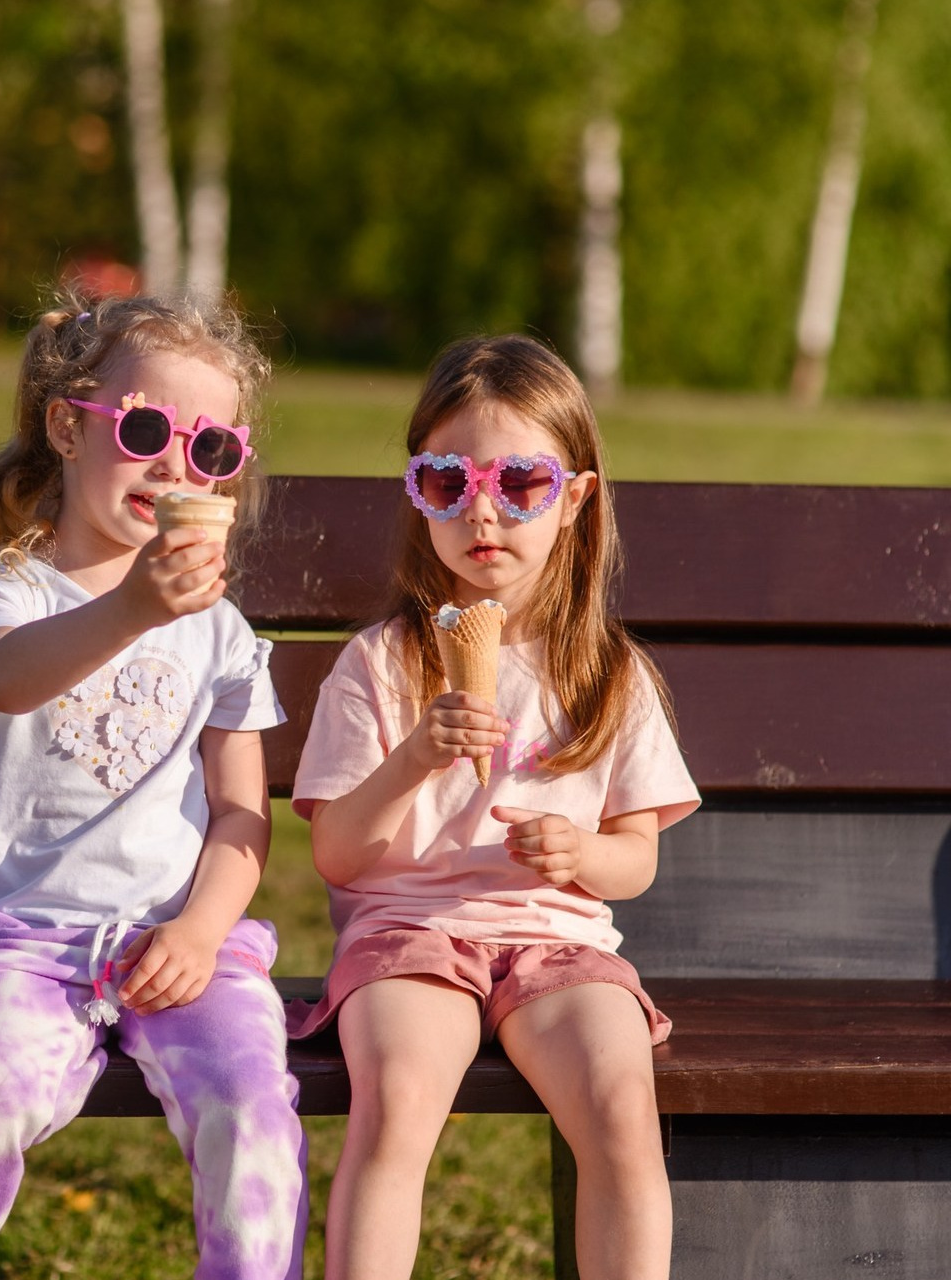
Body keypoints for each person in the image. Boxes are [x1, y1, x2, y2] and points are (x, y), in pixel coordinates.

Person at [0, 291, 308, 1280]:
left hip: (181, 940)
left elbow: (242, 811)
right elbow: (4, 674)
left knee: (249, 1100)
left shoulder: (220, 632)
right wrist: (127, 606)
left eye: (209, 449)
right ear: (68, 426)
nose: (172, 466)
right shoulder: (9, 590)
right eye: (148, 428)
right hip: (24, 941)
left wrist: (201, 929)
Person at [290, 333, 700, 1280]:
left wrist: (578, 854)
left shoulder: (609, 674)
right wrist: (413, 757)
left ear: (576, 502)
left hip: (562, 942)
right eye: (448, 482)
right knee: (395, 1103)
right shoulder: (383, 664)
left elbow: (634, 862)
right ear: (417, 493)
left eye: (521, 482)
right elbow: (341, 857)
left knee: (621, 1112)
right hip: (409, 930)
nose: (484, 509)